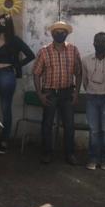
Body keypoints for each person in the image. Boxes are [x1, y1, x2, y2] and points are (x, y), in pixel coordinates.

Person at [32, 20, 82, 165]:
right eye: (56, 32)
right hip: (50, 93)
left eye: (63, 32)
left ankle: (70, 154)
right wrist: (40, 94)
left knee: (69, 125)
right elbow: (36, 73)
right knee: (47, 124)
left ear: (67, 34)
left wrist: (76, 93)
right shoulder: (44, 51)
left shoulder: (73, 50)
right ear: (52, 34)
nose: (59, 34)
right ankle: (47, 153)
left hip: (67, 93)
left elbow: (79, 73)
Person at [0, 14, 35, 152]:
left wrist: (16, 65)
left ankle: (4, 139)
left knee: (5, 108)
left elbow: (30, 55)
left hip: (7, 75)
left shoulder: (14, 40)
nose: (1, 24)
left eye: (4, 22)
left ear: (9, 25)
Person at [81, 32, 105, 171]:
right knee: (94, 130)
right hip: (91, 98)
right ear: (93, 43)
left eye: (104, 42)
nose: (100, 44)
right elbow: (84, 81)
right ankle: (92, 159)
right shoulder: (85, 60)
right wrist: (92, 91)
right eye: (97, 41)